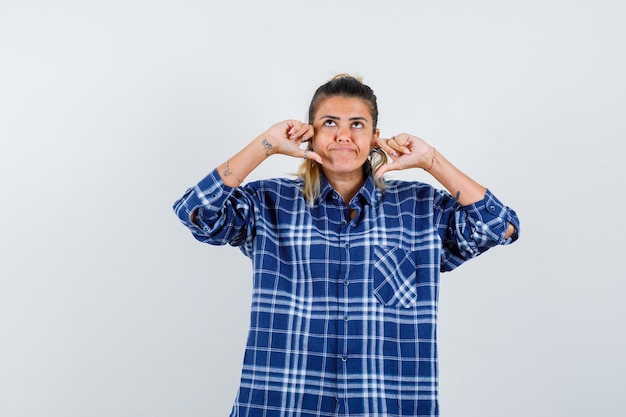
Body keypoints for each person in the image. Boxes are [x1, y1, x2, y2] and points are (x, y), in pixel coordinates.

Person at [173, 74, 520, 417]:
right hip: (282, 404)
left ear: (374, 139)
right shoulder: (268, 203)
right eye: (329, 123)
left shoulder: (421, 208)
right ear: (310, 134)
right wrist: (267, 143)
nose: (343, 134)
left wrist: (431, 161)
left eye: (357, 124)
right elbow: (195, 212)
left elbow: (499, 226)